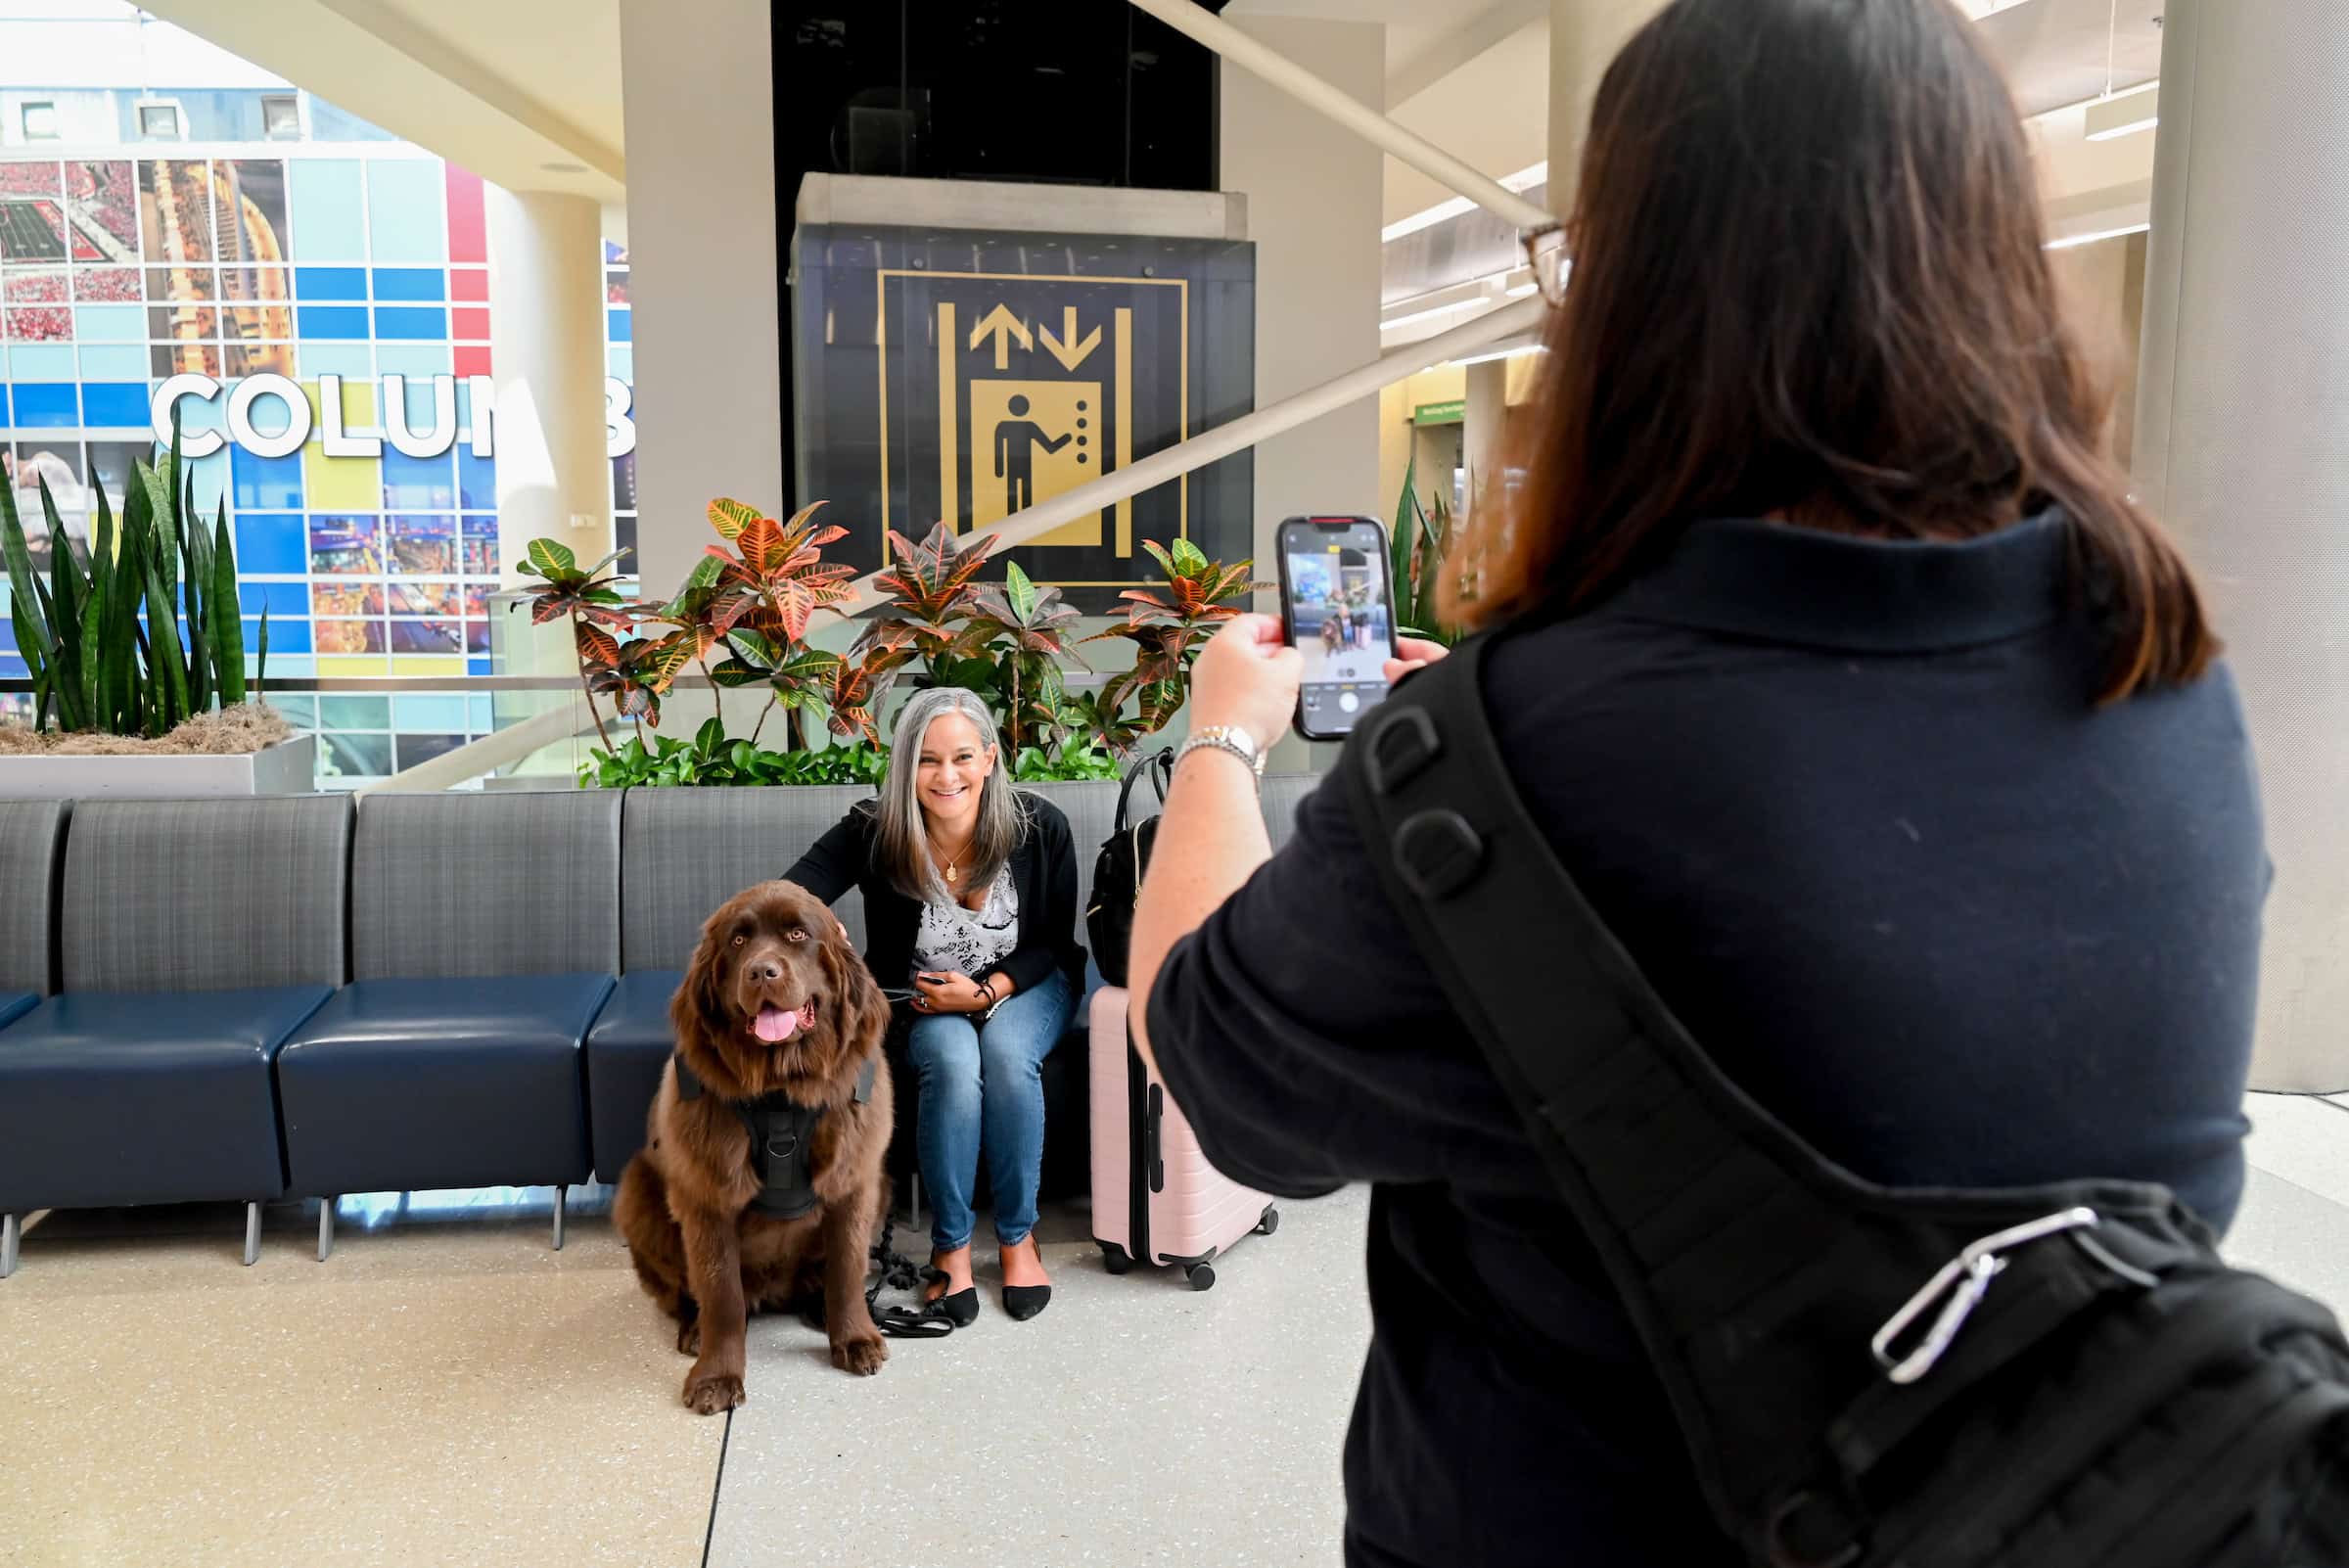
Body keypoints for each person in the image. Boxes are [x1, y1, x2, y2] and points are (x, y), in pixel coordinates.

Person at [1127, 1, 2266, 1563]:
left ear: (1633, 303)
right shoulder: (2169, 688)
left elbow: (1212, 1069)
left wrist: (1220, 736)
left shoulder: (1503, 764)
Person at [784, 686, 1085, 1324]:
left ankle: (1016, 1237)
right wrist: (819, 922)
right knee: (952, 1063)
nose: (946, 776)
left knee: (1005, 1057)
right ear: (904, 765)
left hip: (1026, 984)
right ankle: (950, 1250)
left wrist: (985, 991)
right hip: (921, 999)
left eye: (962, 757)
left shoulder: (1040, 828)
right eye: (926, 759)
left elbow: (1056, 944)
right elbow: (786, 893)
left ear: (990, 759)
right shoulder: (874, 831)